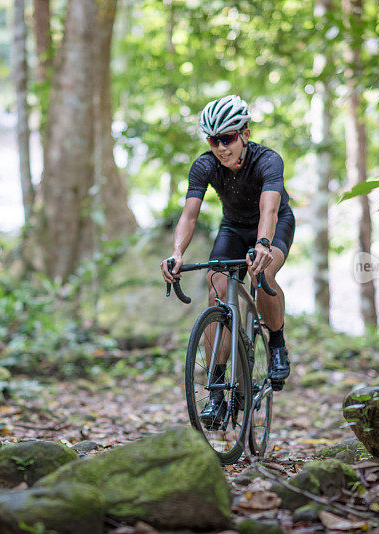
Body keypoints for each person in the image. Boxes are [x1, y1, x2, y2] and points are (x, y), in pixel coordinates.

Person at [160, 94, 295, 428]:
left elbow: (270, 209)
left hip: (273, 226)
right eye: (213, 140)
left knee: (265, 271)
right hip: (233, 227)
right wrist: (177, 254)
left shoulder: (268, 161)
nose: (221, 147)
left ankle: (277, 344)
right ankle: (217, 391)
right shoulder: (204, 165)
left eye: (228, 138)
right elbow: (189, 216)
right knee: (216, 288)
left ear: (244, 134)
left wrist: (263, 243)